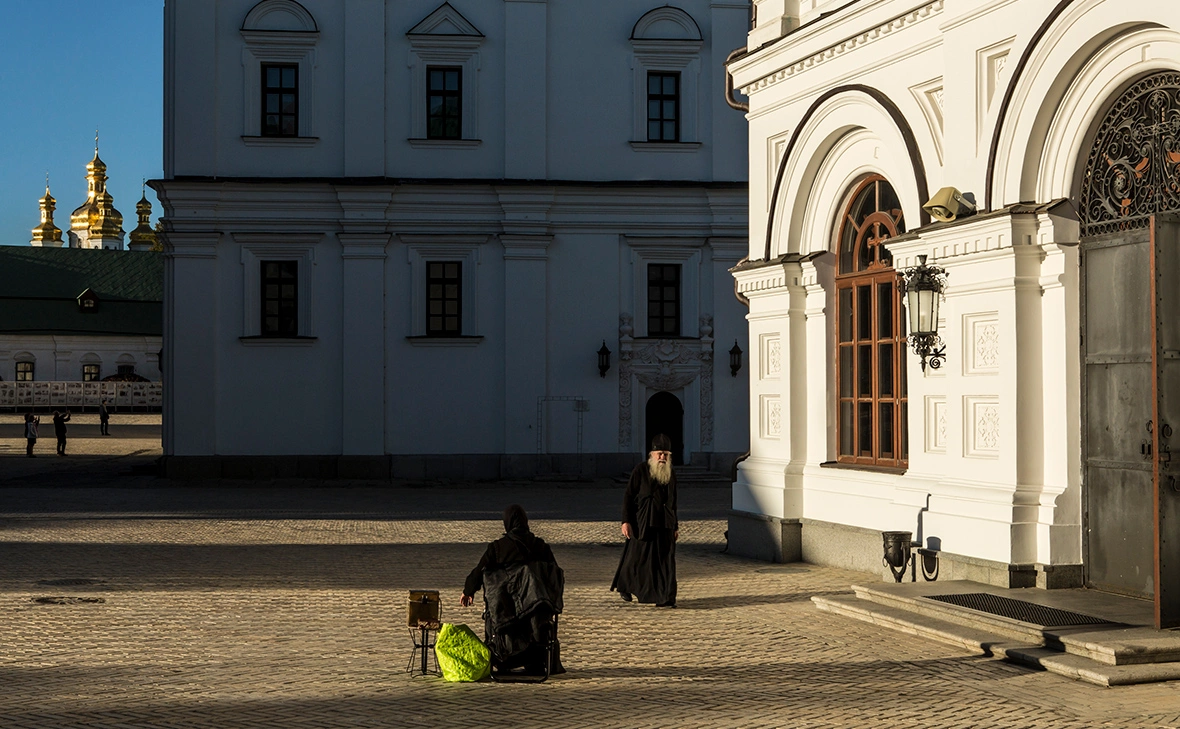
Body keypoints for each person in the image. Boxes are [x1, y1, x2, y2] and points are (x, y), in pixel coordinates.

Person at [462, 505, 565, 676]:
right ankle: (538, 659)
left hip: (506, 616)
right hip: (536, 617)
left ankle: (506, 659)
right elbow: (554, 576)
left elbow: (480, 570)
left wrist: (468, 591)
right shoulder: (540, 546)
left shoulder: (498, 548)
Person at [611, 433, 679, 607]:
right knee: (637, 558)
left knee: (665, 560)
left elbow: (673, 501)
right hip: (642, 521)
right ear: (652, 455)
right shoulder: (640, 470)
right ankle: (624, 586)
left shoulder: (671, 473)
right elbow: (628, 496)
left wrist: (675, 526)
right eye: (659, 454)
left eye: (666, 454)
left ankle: (665, 597)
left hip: (664, 523)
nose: (662, 457)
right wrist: (626, 521)